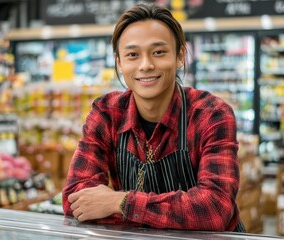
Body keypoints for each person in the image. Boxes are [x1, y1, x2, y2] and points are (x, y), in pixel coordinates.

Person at [62, 2, 244, 232]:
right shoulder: (106, 113)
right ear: (119, 62)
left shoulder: (211, 115)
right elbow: (76, 200)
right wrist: (174, 212)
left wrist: (120, 203)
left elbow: (214, 210)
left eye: (158, 52)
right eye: (132, 55)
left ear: (179, 56)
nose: (146, 65)